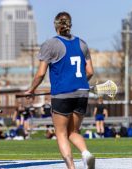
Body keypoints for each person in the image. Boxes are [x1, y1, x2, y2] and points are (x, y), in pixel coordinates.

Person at [25, 12, 95, 169]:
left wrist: (31, 89)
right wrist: (81, 83)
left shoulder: (50, 44)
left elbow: (41, 73)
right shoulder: (82, 44)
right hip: (82, 92)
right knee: (73, 131)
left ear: (56, 25)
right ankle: (86, 153)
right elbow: (89, 71)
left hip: (62, 94)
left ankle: (71, 167)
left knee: (61, 133)